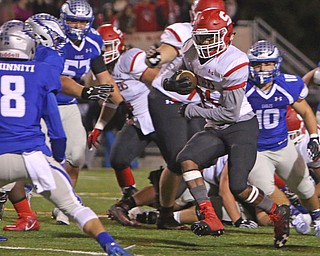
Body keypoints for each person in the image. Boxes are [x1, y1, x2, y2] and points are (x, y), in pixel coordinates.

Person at [0, 19, 131, 256]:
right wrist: (56, 158)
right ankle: (111, 245)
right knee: (75, 208)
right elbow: (56, 129)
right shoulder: (41, 71)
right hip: (33, 157)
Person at [165, 9, 291, 248]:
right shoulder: (190, 49)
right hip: (215, 125)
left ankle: (278, 211)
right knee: (187, 160)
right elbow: (170, 75)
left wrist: (193, 109)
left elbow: (229, 113)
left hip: (240, 126)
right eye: (200, 36)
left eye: (209, 37)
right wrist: (173, 82)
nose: (202, 42)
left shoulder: (234, 62)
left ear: (224, 36)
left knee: (238, 187)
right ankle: (209, 216)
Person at [143, 0, 226, 231]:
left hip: (198, 103)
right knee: (180, 158)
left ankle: (168, 211)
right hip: (168, 98)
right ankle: (179, 211)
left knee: (194, 158)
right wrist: (157, 58)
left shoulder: (223, 37)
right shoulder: (183, 31)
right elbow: (168, 52)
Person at [52, 0, 132, 225]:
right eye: (72, 21)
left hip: (68, 104)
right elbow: (59, 79)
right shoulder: (54, 40)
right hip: (42, 103)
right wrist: (86, 92)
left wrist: (121, 102)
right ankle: (23, 204)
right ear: (63, 20)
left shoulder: (94, 41)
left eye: (82, 22)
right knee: (31, 156)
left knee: (76, 156)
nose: (77, 26)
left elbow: (104, 77)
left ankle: (63, 206)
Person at [245, 40, 320, 237]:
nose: (262, 69)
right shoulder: (242, 87)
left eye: (267, 63)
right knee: (264, 188)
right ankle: (295, 215)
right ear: (250, 65)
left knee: (304, 186)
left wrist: (314, 137)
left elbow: (306, 111)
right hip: (255, 149)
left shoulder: (287, 84)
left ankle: (318, 218)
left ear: (276, 64)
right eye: (257, 64)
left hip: (282, 145)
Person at [87, 23, 160, 200]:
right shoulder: (101, 70)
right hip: (136, 122)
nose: (105, 51)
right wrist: (99, 126)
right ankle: (129, 196)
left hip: (158, 117)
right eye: (101, 47)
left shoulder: (129, 58)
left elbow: (159, 81)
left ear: (119, 44)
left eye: (108, 46)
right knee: (118, 159)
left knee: (177, 162)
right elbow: (111, 102)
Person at [107, 156, 258, 229]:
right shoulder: (241, 150)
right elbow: (225, 190)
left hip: (207, 179)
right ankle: (127, 204)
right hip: (200, 175)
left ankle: (156, 216)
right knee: (173, 192)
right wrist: (238, 221)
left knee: (216, 207)